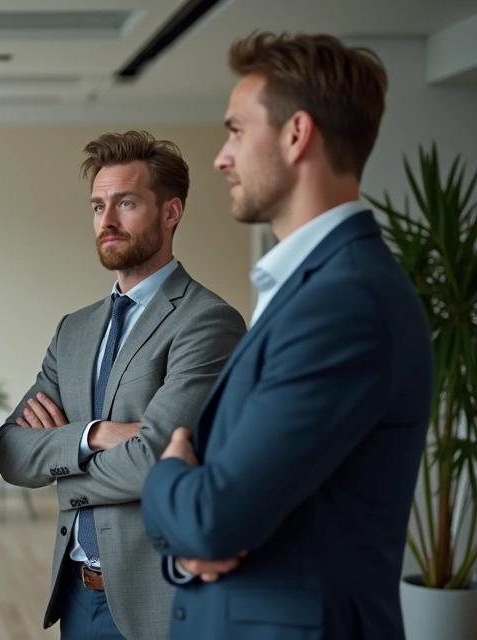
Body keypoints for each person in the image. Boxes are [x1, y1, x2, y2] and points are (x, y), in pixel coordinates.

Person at [140, 32, 433, 640]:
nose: (222, 158)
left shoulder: (344, 300)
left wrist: (165, 475)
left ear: (297, 134)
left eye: (236, 131)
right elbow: (216, 521)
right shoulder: (313, 287)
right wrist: (189, 546)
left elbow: (213, 518)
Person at [0, 131, 246, 640]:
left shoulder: (207, 321)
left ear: (171, 212)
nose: (106, 221)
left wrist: (63, 466)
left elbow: (155, 461)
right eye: (98, 206)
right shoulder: (74, 330)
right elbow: (12, 453)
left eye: (126, 203)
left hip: (155, 601)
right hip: (75, 593)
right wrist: (96, 435)